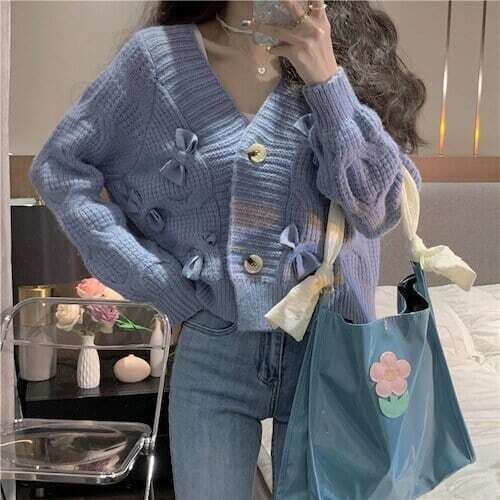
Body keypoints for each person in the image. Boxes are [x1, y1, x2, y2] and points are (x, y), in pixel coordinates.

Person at [29, 1, 426, 498]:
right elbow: (61, 168)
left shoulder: (350, 57)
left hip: (331, 348)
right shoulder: (157, 62)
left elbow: (375, 210)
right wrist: (159, 283)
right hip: (214, 349)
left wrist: (327, 79)